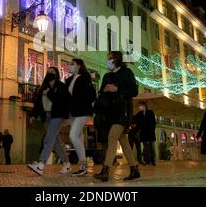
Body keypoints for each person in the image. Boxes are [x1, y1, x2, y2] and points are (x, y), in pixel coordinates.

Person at [94, 51, 140, 182]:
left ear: (116, 60)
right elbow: (101, 92)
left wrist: (117, 89)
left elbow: (134, 91)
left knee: (112, 138)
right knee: (123, 142)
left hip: (123, 111)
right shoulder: (106, 76)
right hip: (110, 113)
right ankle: (134, 169)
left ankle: (105, 171)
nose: (107, 61)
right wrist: (105, 89)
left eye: (110, 58)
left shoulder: (127, 73)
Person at [28, 67, 72, 175]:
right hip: (47, 117)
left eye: (52, 72)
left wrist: (67, 117)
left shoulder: (61, 87)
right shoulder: (43, 87)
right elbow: (38, 103)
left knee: (48, 139)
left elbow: (64, 102)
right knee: (56, 143)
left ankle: (41, 164)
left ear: (56, 74)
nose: (49, 73)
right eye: (48, 72)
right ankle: (67, 164)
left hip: (57, 116)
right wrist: (33, 114)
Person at [65, 58, 97, 176]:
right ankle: (82, 167)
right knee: (78, 136)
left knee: (73, 135)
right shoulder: (68, 80)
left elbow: (92, 95)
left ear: (79, 66)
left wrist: (83, 103)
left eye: (72, 64)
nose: (70, 66)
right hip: (73, 112)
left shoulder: (85, 78)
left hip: (83, 111)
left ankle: (83, 163)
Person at [135, 101, 156, 166]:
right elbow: (136, 121)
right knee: (145, 147)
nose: (139, 107)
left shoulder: (150, 112)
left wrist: (152, 129)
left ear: (144, 106)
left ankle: (152, 160)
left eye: (140, 106)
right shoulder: (139, 114)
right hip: (143, 133)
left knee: (151, 146)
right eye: (139, 106)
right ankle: (147, 160)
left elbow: (153, 122)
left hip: (150, 132)